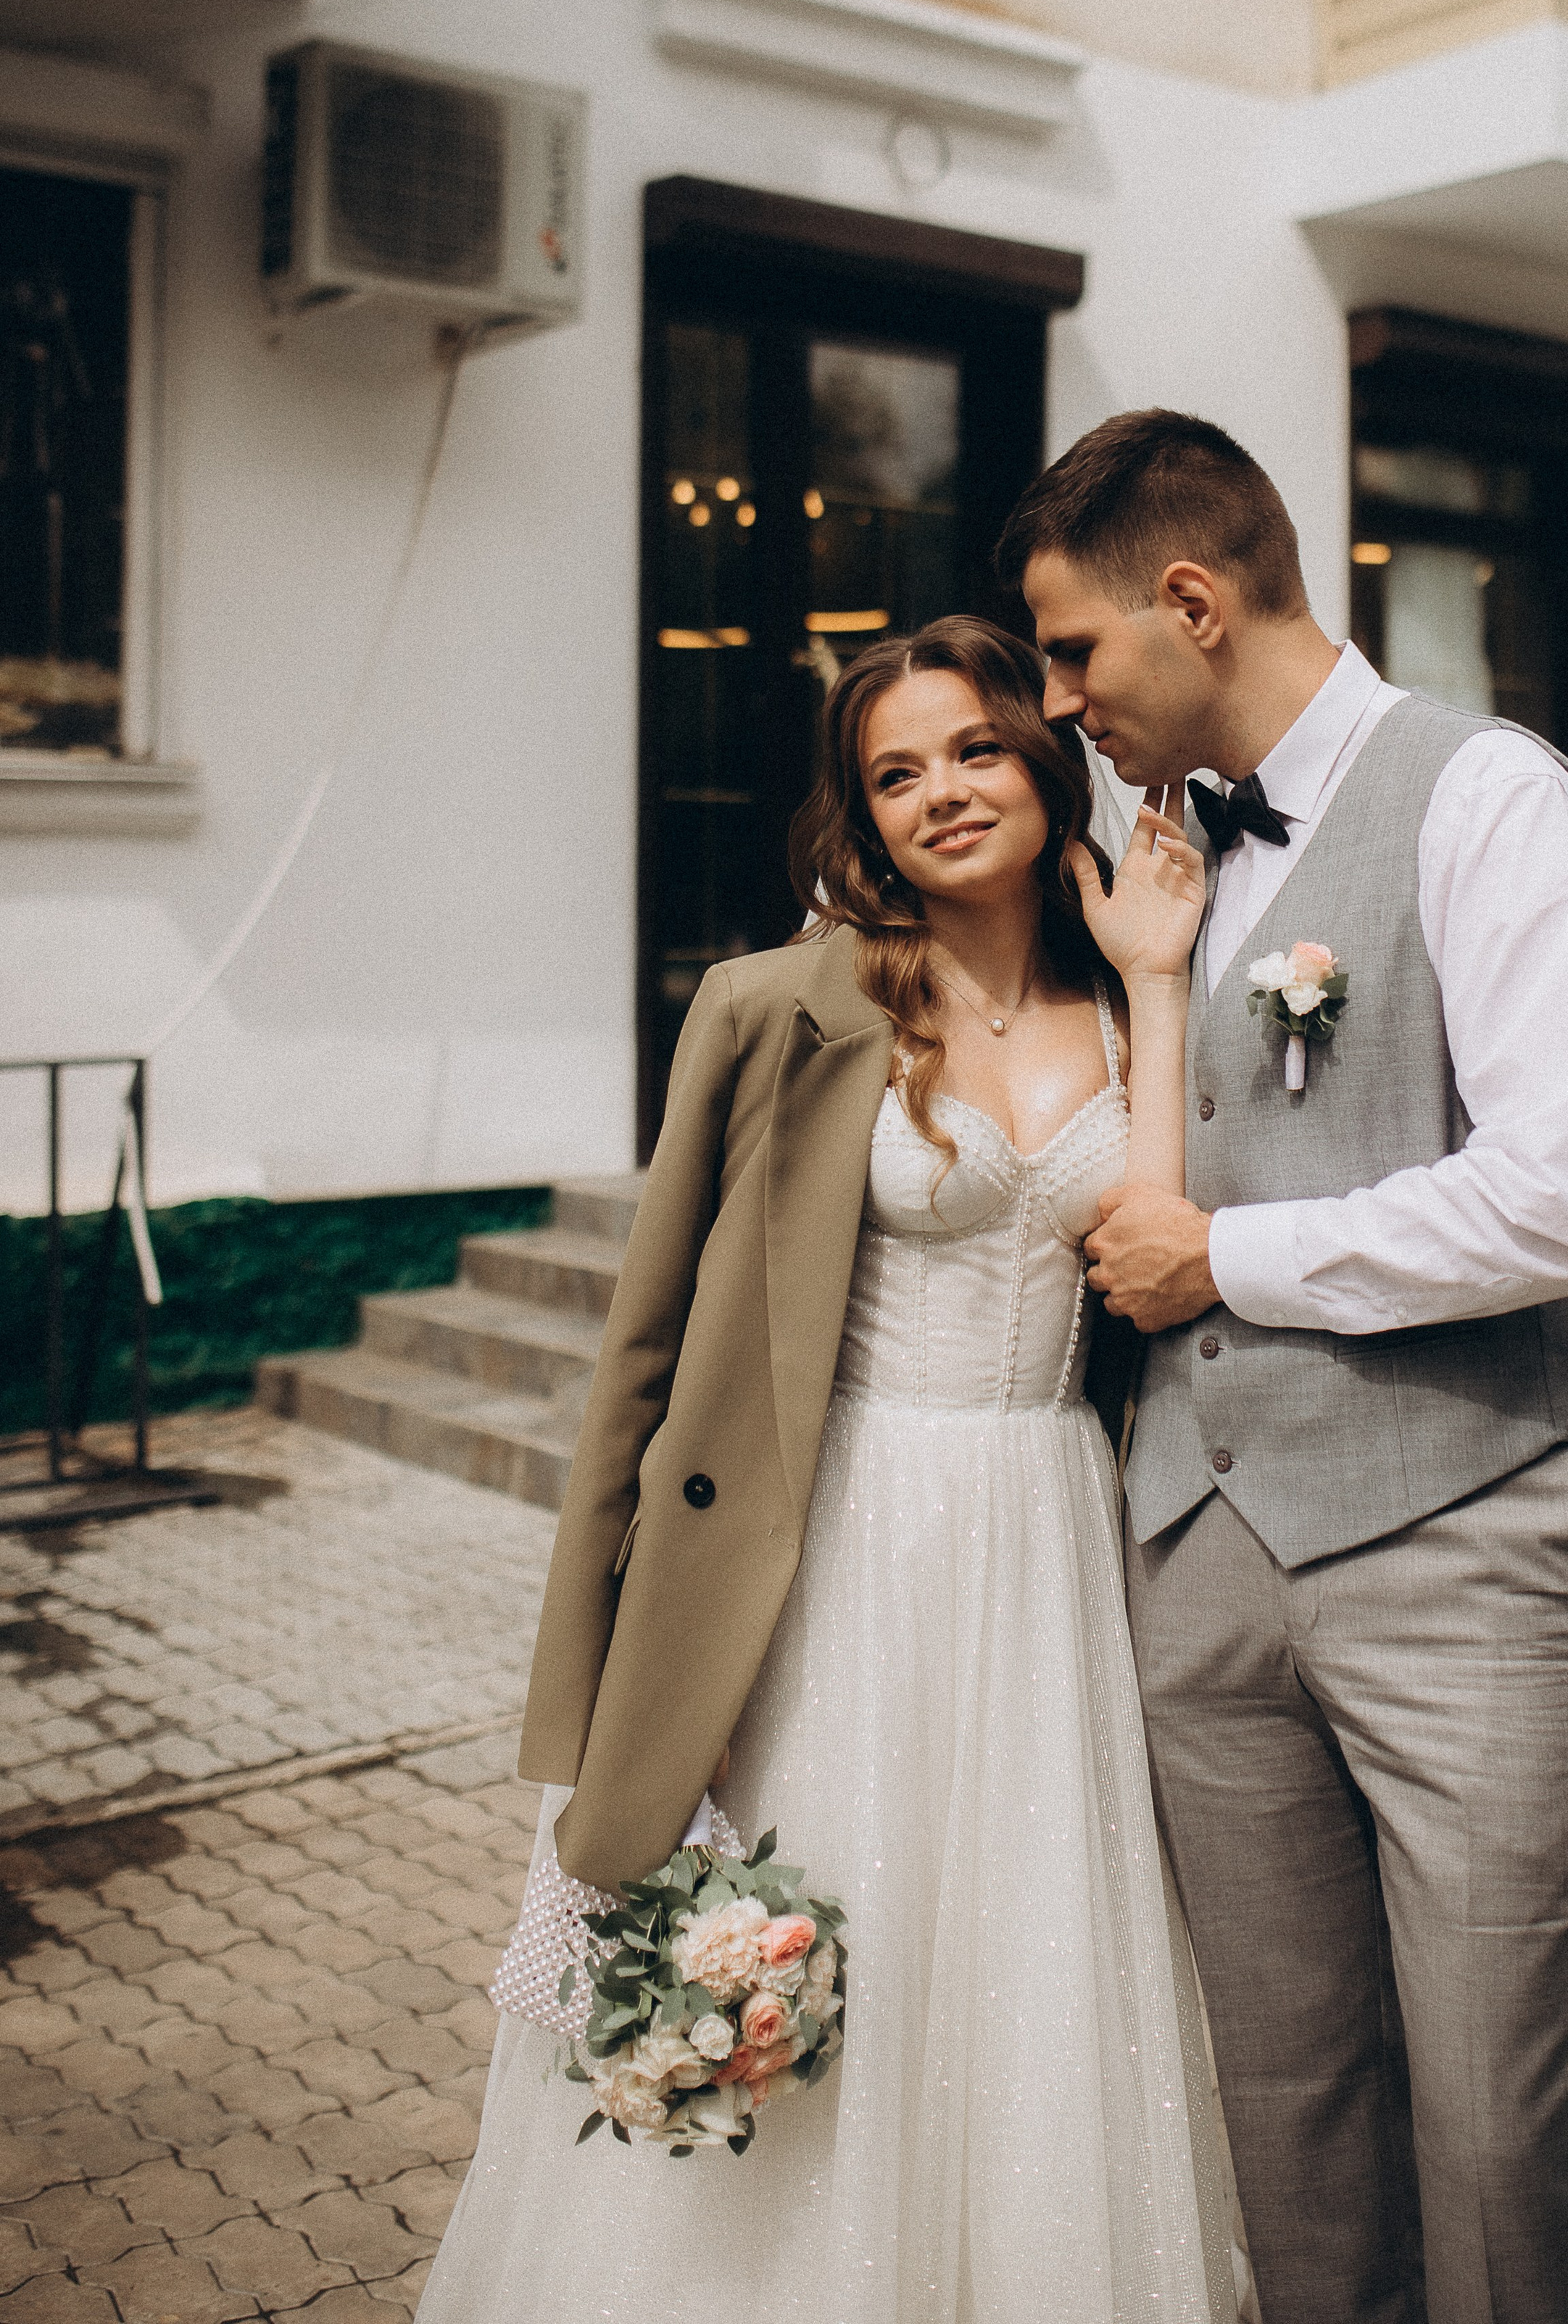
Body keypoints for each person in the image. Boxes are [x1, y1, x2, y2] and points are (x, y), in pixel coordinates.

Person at [417, 614, 1247, 2324]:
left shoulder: (1125, 995)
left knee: (1021, 1950)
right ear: (858, 816)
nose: (941, 792)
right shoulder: (772, 1007)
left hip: (1046, 1537)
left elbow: (1155, 1252)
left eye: (974, 748)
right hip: (833, 1541)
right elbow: (647, 1351)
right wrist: (617, 1660)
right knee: (805, 1919)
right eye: (893, 774)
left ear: (1043, 756)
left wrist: (1161, 977)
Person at [1002, 410, 1568, 2324]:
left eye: (1073, 653)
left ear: (1192, 602)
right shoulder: (1159, 857)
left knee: (1509, 2145)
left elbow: (1559, 1200)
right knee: (1289, 2122)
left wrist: (1224, 1257)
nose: (1059, 705)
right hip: (1201, 1567)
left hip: (1475, 1551)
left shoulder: (1487, 798)